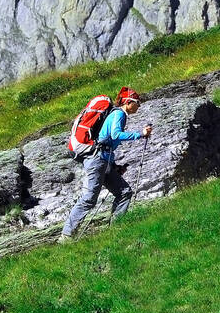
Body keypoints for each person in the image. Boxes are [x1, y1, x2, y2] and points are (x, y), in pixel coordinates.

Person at [59, 89, 153, 241]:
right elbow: (116, 135)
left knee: (124, 193)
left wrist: (113, 166)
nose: (139, 106)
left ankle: (115, 231)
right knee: (90, 198)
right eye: (137, 103)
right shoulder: (119, 114)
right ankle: (66, 236)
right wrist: (140, 134)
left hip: (104, 159)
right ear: (128, 102)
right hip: (98, 160)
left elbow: (107, 141)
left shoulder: (116, 114)